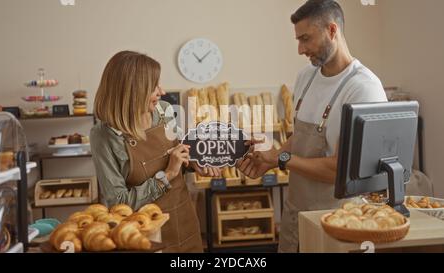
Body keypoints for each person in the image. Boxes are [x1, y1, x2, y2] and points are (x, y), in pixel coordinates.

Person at [237, 0, 387, 253]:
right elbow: (302, 136)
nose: (300, 49)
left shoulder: (363, 89)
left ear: (331, 30)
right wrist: (270, 158)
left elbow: (341, 170)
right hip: (296, 213)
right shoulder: (306, 77)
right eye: (298, 40)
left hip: (337, 220)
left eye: (306, 39)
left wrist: (281, 158)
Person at [90, 50, 220, 252]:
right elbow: (119, 203)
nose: (162, 91)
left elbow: (178, 156)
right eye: (153, 87)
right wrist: (166, 176)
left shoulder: (164, 110)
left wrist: (194, 163)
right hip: (141, 236)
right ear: (132, 92)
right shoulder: (104, 136)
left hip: (184, 222)